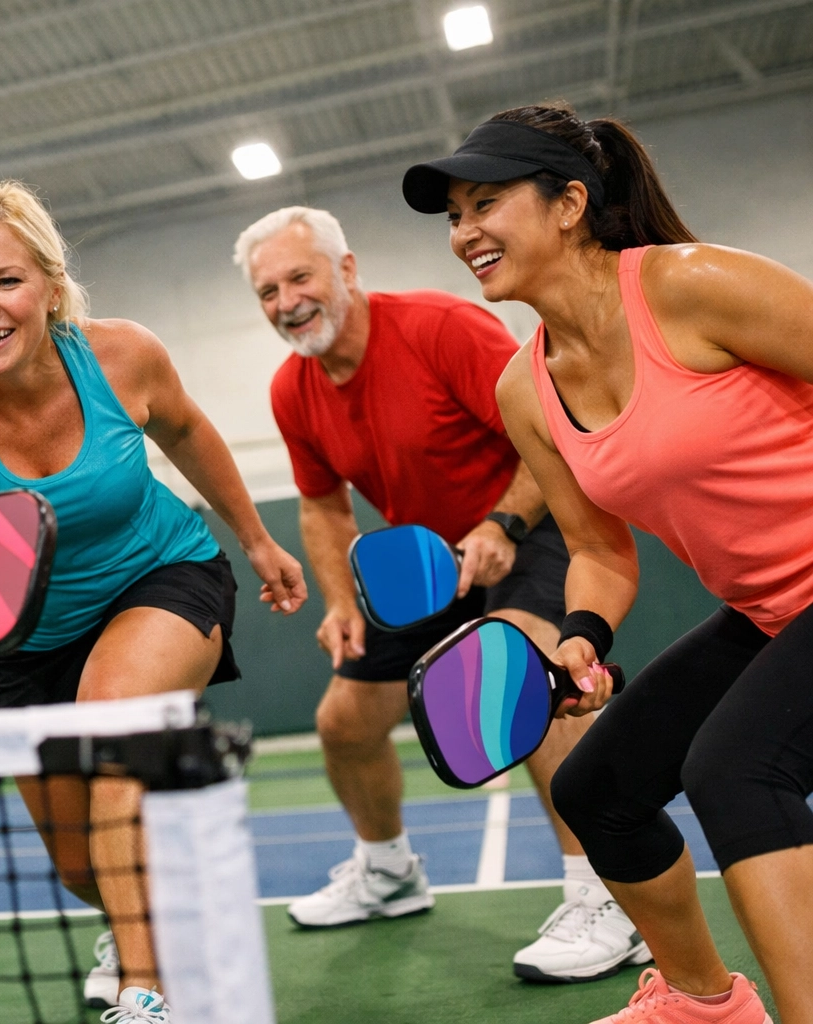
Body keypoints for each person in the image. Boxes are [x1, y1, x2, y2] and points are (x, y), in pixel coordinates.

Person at [0, 180, 307, 1021]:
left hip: (162, 577)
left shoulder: (122, 356)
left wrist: (256, 539)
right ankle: (133, 918)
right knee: (81, 866)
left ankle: (149, 993)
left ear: (50, 285)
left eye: (6, 280)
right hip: (26, 640)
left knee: (110, 730)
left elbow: (187, 430)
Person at [403, 102, 813, 1023]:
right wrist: (581, 638)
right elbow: (596, 549)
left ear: (569, 204)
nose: (464, 233)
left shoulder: (692, 285)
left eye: (485, 204)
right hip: (769, 613)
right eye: (455, 217)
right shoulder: (525, 387)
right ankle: (705, 1006)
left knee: (736, 771)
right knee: (598, 791)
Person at [235, 206, 646, 982]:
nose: (286, 301)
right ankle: (389, 873)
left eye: (299, 278)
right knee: (344, 723)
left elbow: (548, 428)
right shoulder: (293, 390)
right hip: (427, 563)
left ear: (346, 270)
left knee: (528, 681)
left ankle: (610, 895)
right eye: (267, 291)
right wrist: (341, 602)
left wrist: (503, 524)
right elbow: (321, 506)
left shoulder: (440, 329)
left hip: (540, 524)